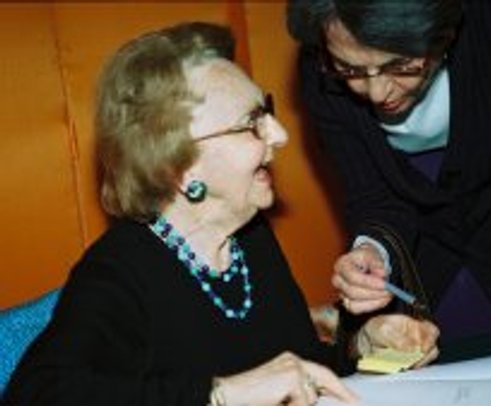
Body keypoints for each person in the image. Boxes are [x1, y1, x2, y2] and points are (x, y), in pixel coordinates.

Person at [1, 21, 440, 406]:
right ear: (177, 166)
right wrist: (222, 395)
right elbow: (35, 395)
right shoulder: (121, 269)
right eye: (252, 123)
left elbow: (294, 369)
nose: (280, 134)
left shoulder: (249, 239)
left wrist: (364, 347)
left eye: (267, 111)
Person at [287, 0, 491, 380]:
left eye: (400, 64)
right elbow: (373, 197)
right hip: (428, 284)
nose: (376, 92)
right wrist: (372, 249)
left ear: (444, 33)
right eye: (350, 69)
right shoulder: (319, 64)